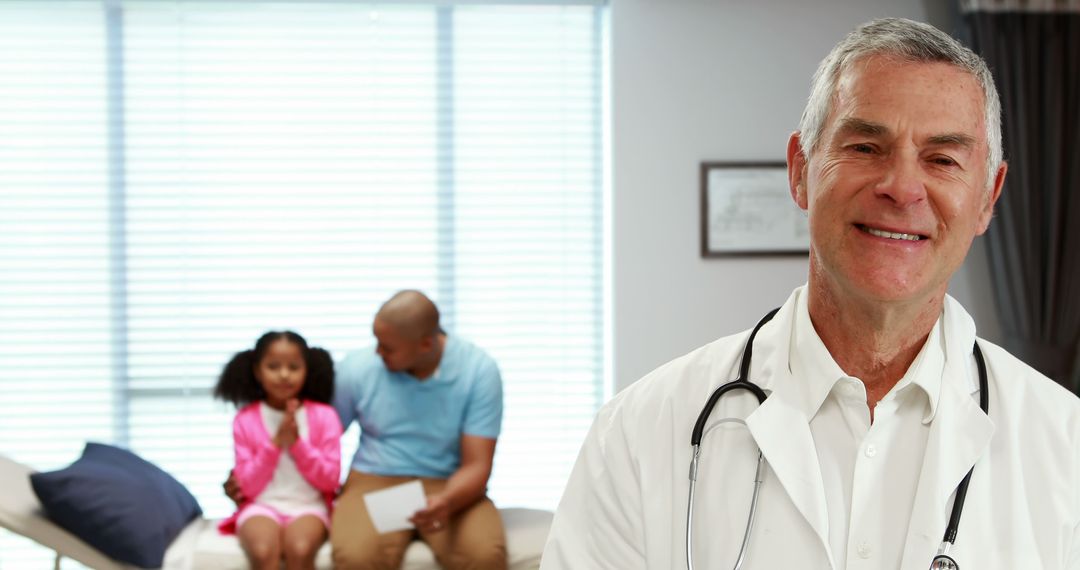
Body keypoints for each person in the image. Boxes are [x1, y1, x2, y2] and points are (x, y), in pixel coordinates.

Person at [541, 18, 1080, 570]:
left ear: (988, 197)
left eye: (942, 159)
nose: (901, 187)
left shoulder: (1066, 446)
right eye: (867, 146)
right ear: (801, 170)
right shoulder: (638, 435)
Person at [330, 290, 507, 570]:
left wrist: (447, 502)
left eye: (387, 347)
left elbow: (478, 464)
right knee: (356, 558)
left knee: (485, 557)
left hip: (449, 481)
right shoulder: (357, 368)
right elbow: (319, 441)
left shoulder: (478, 371)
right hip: (373, 478)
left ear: (426, 344)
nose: (378, 352)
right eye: (377, 342)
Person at [215, 331, 343, 570]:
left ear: (307, 369)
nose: (284, 374)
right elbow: (247, 486)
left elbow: (330, 481)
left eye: (293, 367)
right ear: (257, 371)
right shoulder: (245, 419)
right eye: (273, 366)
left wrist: (297, 444)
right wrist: (275, 443)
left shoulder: (325, 417)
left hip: (309, 507)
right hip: (260, 507)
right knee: (263, 552)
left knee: (300, 549)